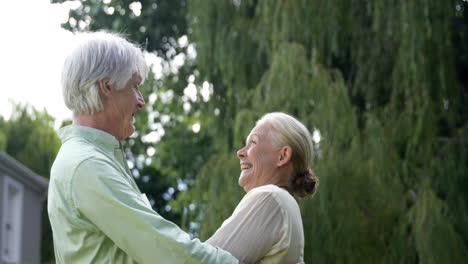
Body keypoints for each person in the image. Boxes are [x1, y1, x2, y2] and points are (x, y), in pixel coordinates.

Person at [47, 31, 240, 263]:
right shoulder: (87, 164)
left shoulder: (90, 159)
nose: (141, 101)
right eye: (135, 86)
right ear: (106, 86)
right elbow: (161, 246)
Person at [206, 112, 319, 264]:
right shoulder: (286, 204)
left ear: (282, 156)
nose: (240, 153)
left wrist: (161, 231)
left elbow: (206, 260)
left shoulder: (270, 197)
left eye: (252, 142)